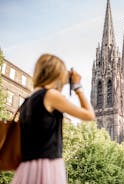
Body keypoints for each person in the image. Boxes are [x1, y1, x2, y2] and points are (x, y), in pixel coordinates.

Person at [11, 54, 96, 184]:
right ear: (56, 74)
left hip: (26, 167)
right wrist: (77, 86)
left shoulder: (28, 100)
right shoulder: (51, 96)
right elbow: (89, 115)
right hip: (47, 167)